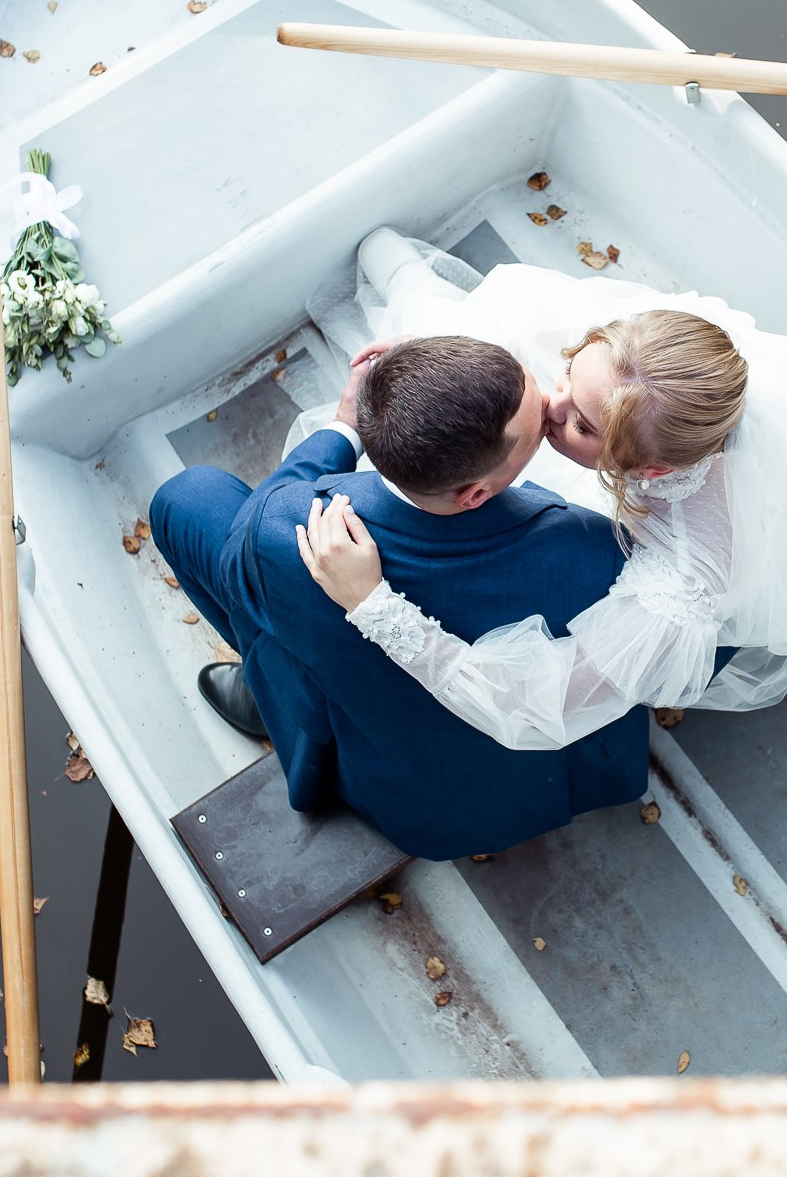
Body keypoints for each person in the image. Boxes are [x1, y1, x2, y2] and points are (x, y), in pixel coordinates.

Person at [294, 230, 787, 750]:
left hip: (637, 546)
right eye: (568, 378)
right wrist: (445, 368)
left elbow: (537, 706)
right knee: (464, 358)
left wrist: (373, 604)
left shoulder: (688, 575)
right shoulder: (645, 359)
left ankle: (407, 277)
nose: (555, 410)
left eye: (583, 424)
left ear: (653, 471)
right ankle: (409, 278)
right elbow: (558, 360)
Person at [148, 333, 650, 862]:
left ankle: (270, 684)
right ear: (476, 494)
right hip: (508, 786)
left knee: (189, 499)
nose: (552, 405)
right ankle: (273, 671)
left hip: (404, 787)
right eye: (535, 421)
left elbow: (253, 532)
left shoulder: (286, 525)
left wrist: (345, 426)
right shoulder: (591, 549)